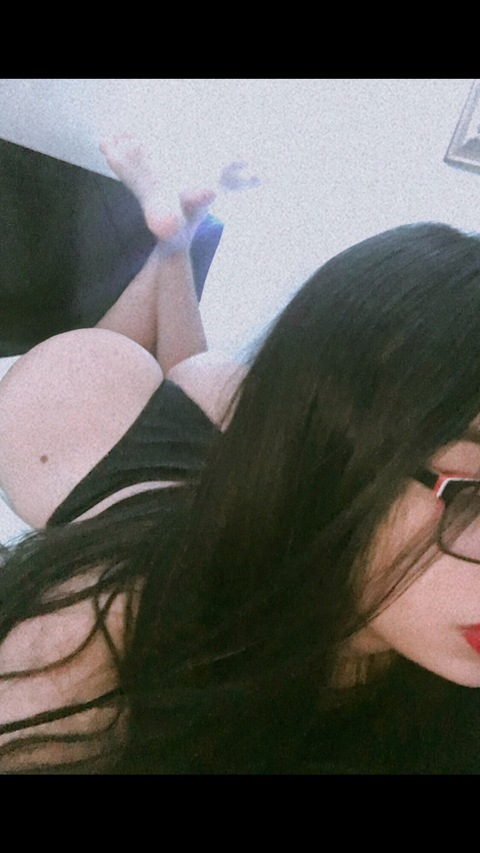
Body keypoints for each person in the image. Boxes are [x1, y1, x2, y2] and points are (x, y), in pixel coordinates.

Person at [1, 136, 480, 774]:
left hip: (247, 473)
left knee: (199, 376)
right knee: (110, 363)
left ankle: (173, 241)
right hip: (120, 471)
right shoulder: (93, 655)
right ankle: (172, 243)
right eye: (474, 494)